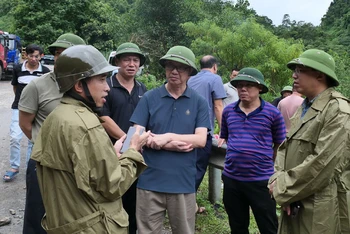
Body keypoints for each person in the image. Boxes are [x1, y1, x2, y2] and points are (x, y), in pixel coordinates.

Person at [30, 45, 149, 233]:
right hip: (91, 226)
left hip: (66, 222)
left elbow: (79, 171)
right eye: (101, 79)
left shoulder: (56, 116)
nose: (107, 87)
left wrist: (112, 155)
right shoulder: (87, 125)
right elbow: (112, 186)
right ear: (79, 85)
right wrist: (132, 151)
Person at [130, 46, 210, 234]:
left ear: (190, 72)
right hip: (149, 181)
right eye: (170, 66)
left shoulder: (198, 102)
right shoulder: (150, 98)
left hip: (182, 183)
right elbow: (135, 136)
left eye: (180, 67)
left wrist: (167, 137)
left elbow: (200, 140)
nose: (174, 71)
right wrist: (169, 145)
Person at [269, 49, 350, 234]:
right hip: (295, 199)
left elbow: (323, 163)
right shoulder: (306, 106)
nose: (293, 75)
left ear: (319, 74)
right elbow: (284, 148)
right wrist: (277, 180)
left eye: (300, 70)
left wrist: (282, 188)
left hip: (321, 205)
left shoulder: (338, 110)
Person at [19, 33, 86, 234]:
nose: (60, 57)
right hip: (43, 163)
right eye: (58, 53)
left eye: (67, 53)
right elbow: (25, 124)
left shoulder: (86, 87)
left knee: (72, 216)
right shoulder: (37, 86)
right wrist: (47, 146)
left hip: (76, 163)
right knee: (37, 217)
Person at [219, 67, 286, 234]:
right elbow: (226, 137)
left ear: (260, 88)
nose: (243, 89)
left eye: (248, 85)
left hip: (261, 181)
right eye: (239, 85)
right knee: (237, 226)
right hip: (232, 179)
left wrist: (272, 170)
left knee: (268, 227)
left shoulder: (272, 113)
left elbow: (280, 145)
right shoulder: (228, 111)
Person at [100, 42, 147, 234]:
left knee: (134, 202)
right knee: (111, 198)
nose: (131, 64)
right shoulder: (107, 86)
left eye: (135, 60)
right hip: (110, 153)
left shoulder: (143, 89)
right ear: (117, 61)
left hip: (135, 154)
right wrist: (129, 141)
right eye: (126, 59)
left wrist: (135, 144)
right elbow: (103, 118)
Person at [3, 44, 50, 182]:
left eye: (37, 56)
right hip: (19, 107)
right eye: (31, 56)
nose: (34, 59)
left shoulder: (45, 71)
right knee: (15, 137)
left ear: (41, 56)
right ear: (26, 56)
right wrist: (22, 101)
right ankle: (14, 167)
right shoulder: (18, 69)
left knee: (33, 139)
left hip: (38, 109)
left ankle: (31, 166)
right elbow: (15, 87)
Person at [187, 55, 226, 212]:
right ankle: (185, 206)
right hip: (202, 132)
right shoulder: (215, 79)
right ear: (215, 67)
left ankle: (191, 205)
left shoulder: (190, 79)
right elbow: (218, 106)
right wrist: (224, 131)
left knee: (188, 168)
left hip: (185, 131)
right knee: (198, 169)